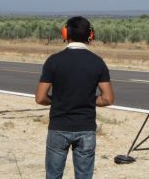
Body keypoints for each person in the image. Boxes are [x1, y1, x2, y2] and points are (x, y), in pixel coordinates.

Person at [35, 16, 114, 179]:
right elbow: (108, 99)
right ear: (90, 36)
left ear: (65, 33)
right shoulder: (98, 62)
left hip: (58, 127)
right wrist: (89, 101)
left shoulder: (53, 61)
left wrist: (56, 101)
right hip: (86, 128)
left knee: (53, 175)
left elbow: (40, 98)